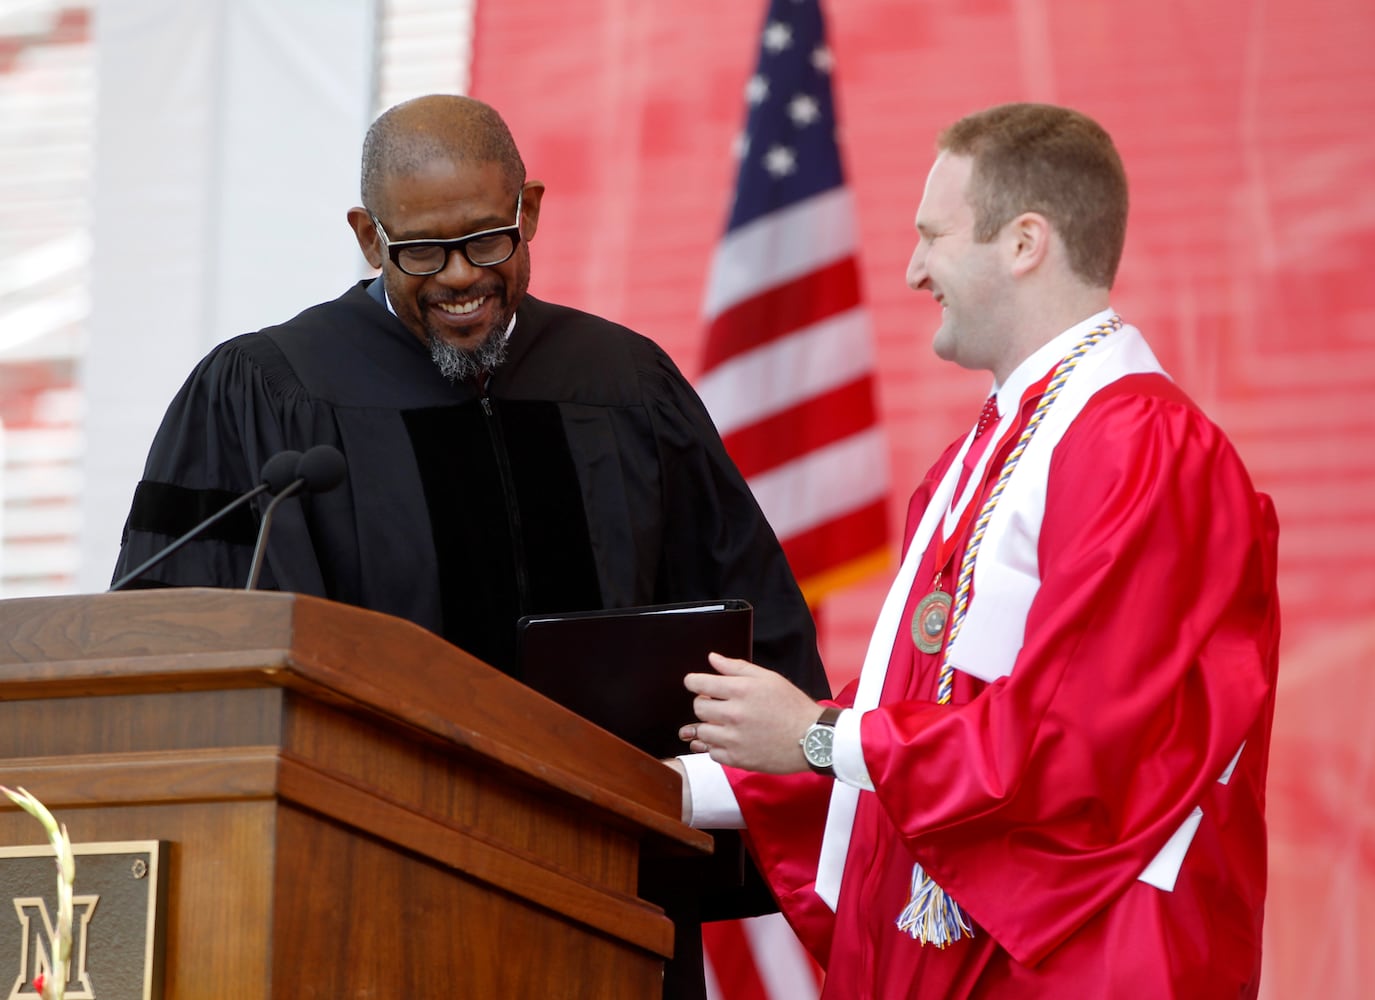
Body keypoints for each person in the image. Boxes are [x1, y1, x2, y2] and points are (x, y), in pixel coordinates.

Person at [112, 93, 829, 1000]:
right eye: (421, 251)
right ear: (368, 238)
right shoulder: (263, 395)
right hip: (365, 898)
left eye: (489, 241)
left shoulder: (623, 384)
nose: (460, 277)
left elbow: (743, 625)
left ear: (529, 209)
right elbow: (190, 647)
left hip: (609, 892)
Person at [669, 102, 1281, 998]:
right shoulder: (992, 453)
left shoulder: (1141, 449)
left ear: (1023, 242)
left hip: (1087, 959)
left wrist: (813, 735)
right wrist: (677, 785)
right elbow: (922, 714)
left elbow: (1080, 741)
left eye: (933, 235)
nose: (915, 270)